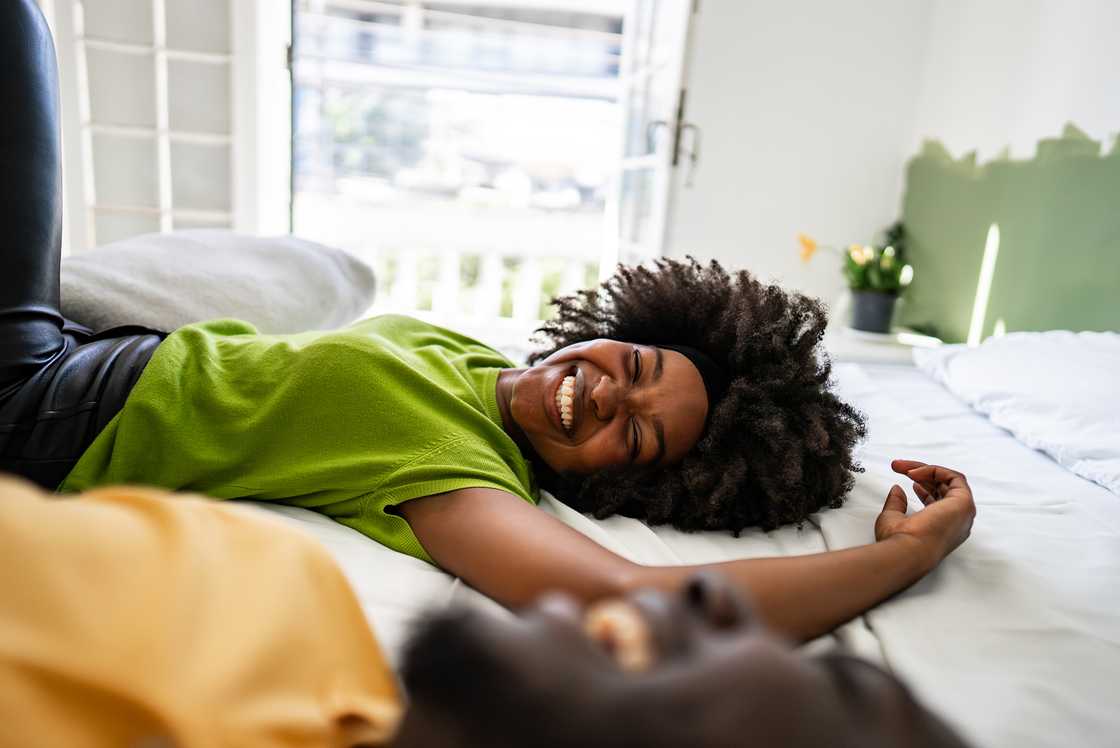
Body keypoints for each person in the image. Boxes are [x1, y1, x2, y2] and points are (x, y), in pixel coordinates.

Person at [1, 0, 976, 644]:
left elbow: (628, 605)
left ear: (623, 481)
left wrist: (907, 552)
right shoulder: (468, 357)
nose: (601, 391)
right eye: (632, 363)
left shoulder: (461, 474)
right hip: (92, 351)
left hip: (39, 407)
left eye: (630, 432)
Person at [0, 474, 971, 748]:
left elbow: (623, 592)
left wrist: (907, 553)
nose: (713, 595)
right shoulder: (283, 591)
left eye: (834, 683)